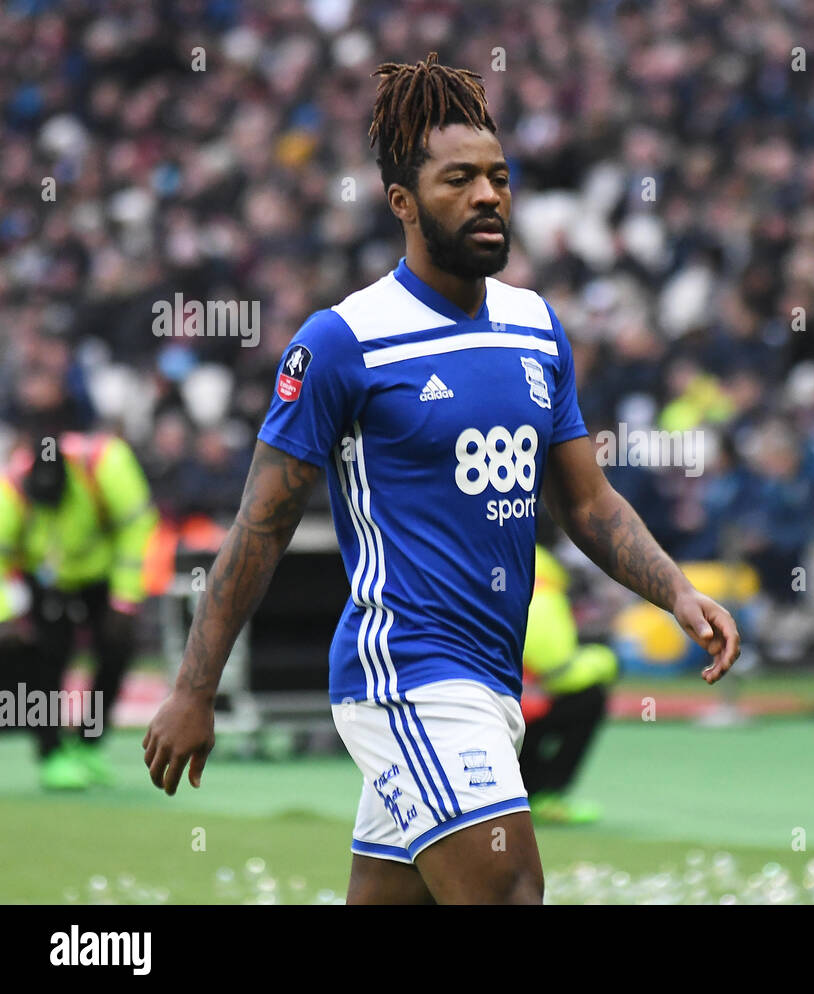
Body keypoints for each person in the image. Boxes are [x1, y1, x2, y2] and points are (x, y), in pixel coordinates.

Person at [142, 53, 740, 906]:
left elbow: (587, 501)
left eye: (499, 176)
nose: (489, 195)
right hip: (406, 674)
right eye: (459, 179)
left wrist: (678, 592)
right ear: (402, 202)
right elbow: (260, 526)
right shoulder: (345, 340)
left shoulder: (537, 328)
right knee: (508, 888)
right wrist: (193, 690)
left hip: (488, 679)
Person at [0, 428, 158, 789]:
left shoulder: (106, 465)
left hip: (104, 573)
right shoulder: (9, 492)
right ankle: (51, 754)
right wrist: (6, 614)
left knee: (118, 648)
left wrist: (124, 599)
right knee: (41, 659)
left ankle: (89, 744)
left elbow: (139, 527)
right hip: (43, 581)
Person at [518, 544, 617, 825]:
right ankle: (545, 793)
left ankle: (524, 790)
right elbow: (560, 671)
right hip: (515, 711)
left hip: (473, 702)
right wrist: (605, 661)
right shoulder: (541, 596)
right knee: (589, 699)